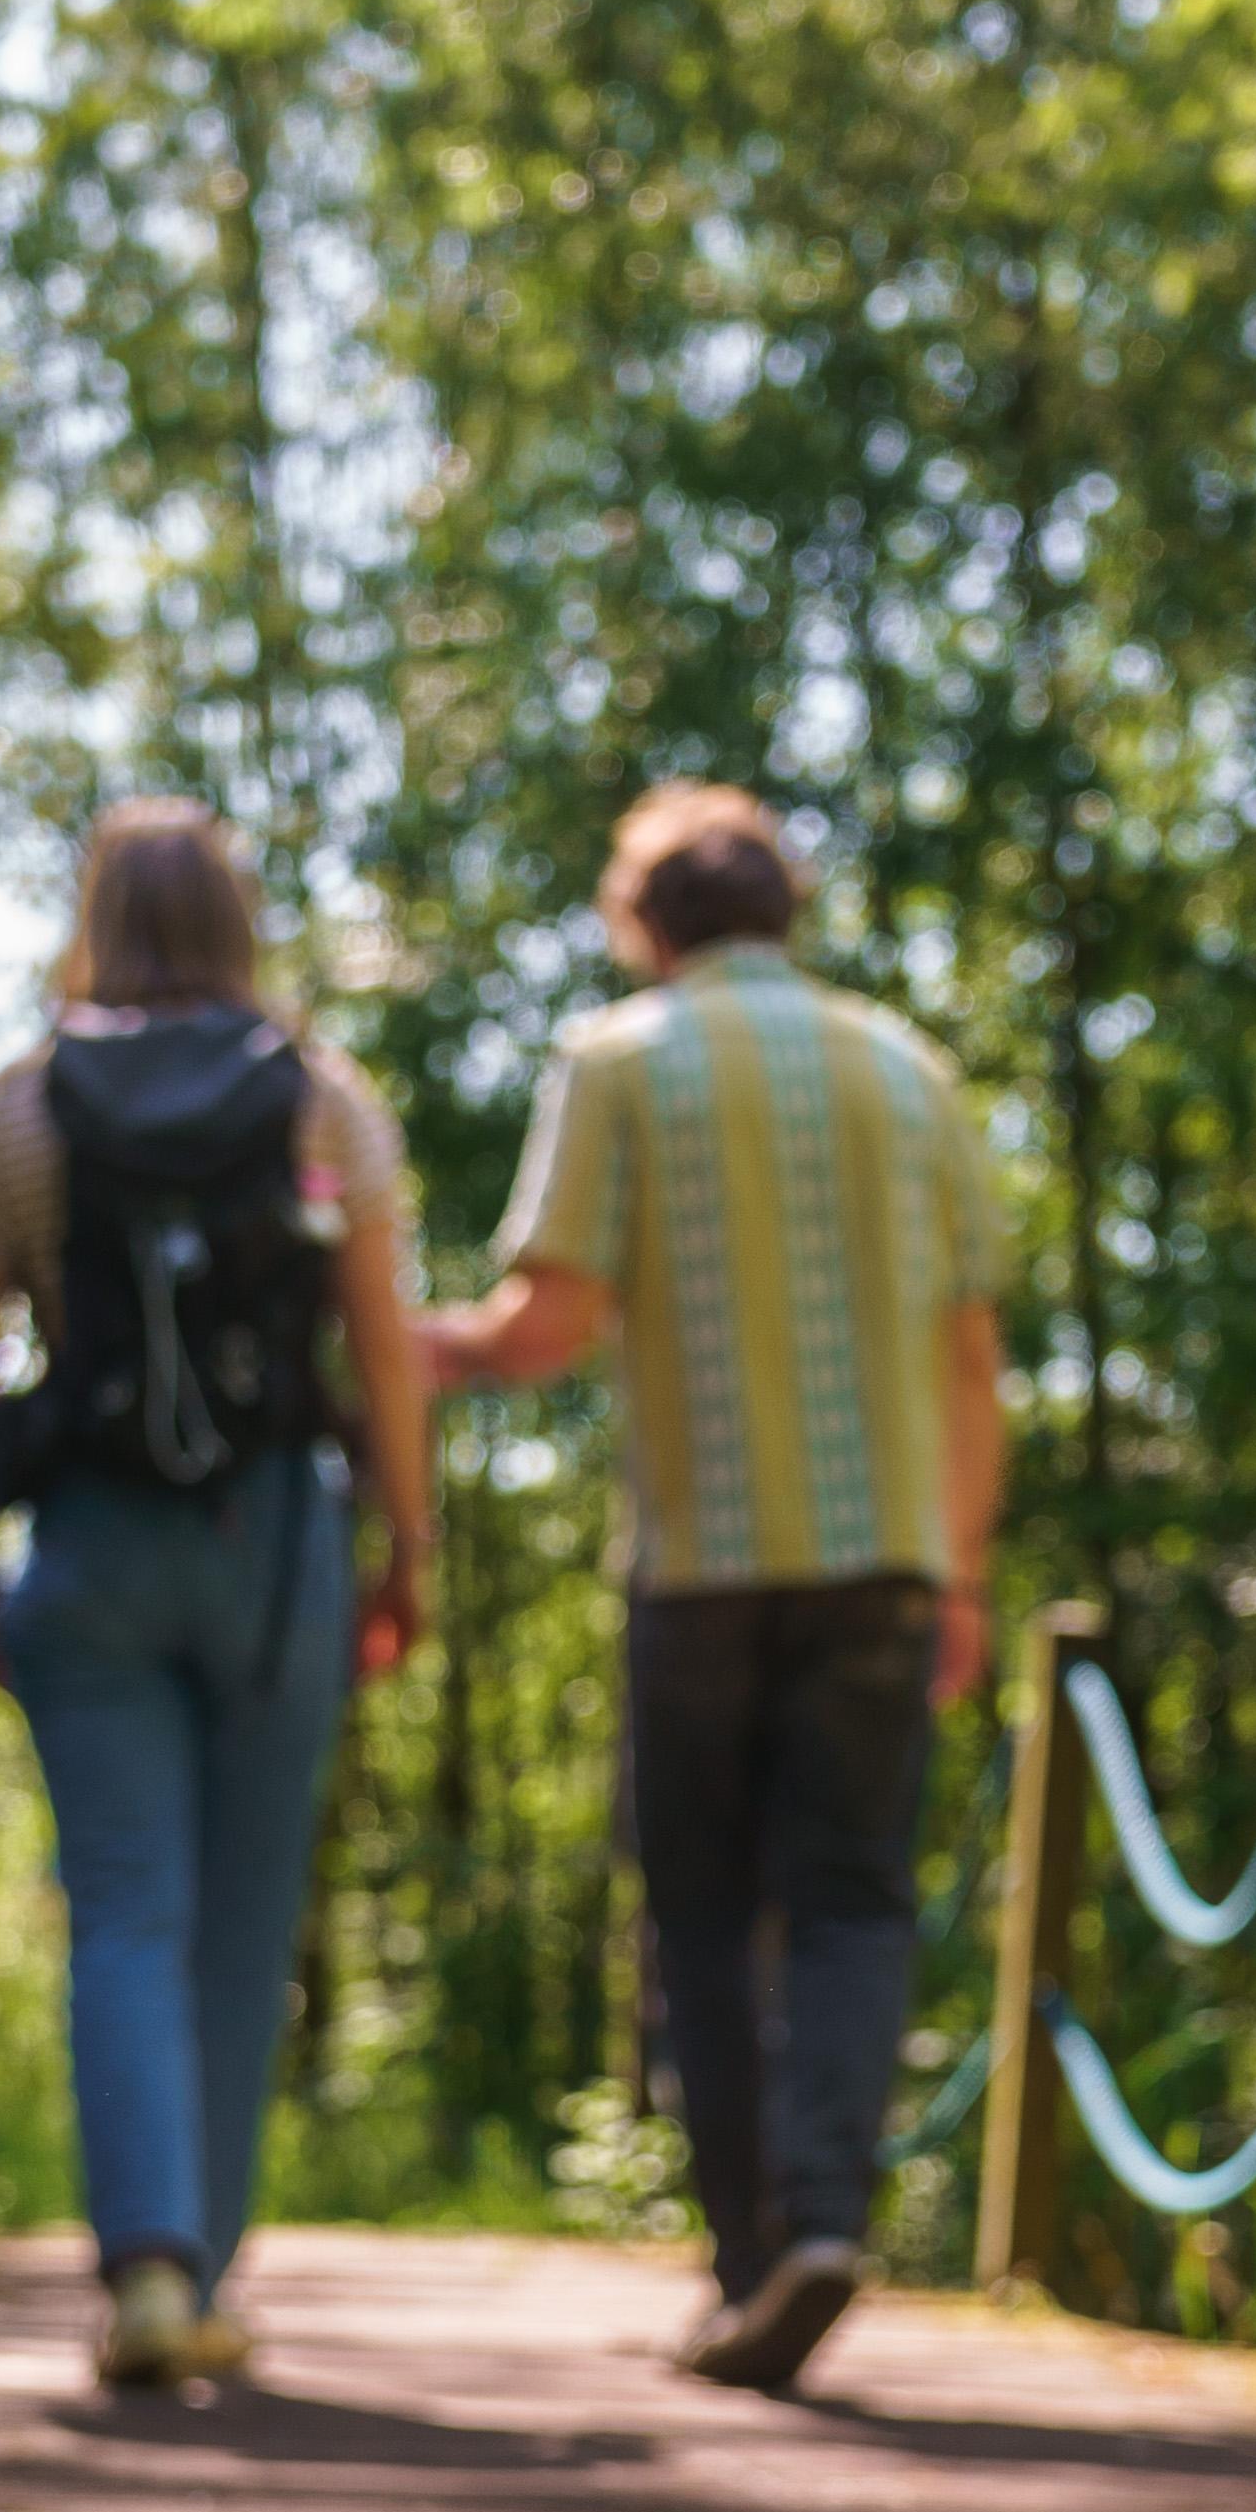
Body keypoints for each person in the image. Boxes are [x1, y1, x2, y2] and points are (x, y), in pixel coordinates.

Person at [427, 783, 1003, 2393]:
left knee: (702, 1909)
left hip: (705, 1567)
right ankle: (824, 2220)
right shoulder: (908, 1067)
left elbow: (543, 1323)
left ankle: (751, 2261)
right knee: (852, 1895)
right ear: (787, 913)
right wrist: (961, 1570)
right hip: (889, 1556)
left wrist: (412, 1345)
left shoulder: (620, 1061)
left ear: (647, 927)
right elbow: (973, 1357)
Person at [0, 796, 431, 2391]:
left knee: (126, 1907)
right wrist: (407, 1548)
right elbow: (385, 1347)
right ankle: (203, 2269)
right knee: (240, 1916)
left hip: (85, 1545)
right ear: (237, 921)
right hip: (278, 1544)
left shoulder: (19, 1106)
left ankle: (146, 2268)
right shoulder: (321, 1101)